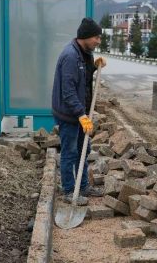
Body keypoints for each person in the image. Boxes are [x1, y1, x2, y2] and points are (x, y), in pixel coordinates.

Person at [52, 17, 107, 206]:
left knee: (85, 150)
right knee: (70, 152)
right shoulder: (70, 56)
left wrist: (93, 67)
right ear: (85, 36)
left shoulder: (85, 53)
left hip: (81, 114)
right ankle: (68, 191)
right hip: (69, 115)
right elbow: (68, 91)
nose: (98, 42)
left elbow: (82, 78)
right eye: (97, 38)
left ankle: (83, 186)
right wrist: (81, 114)